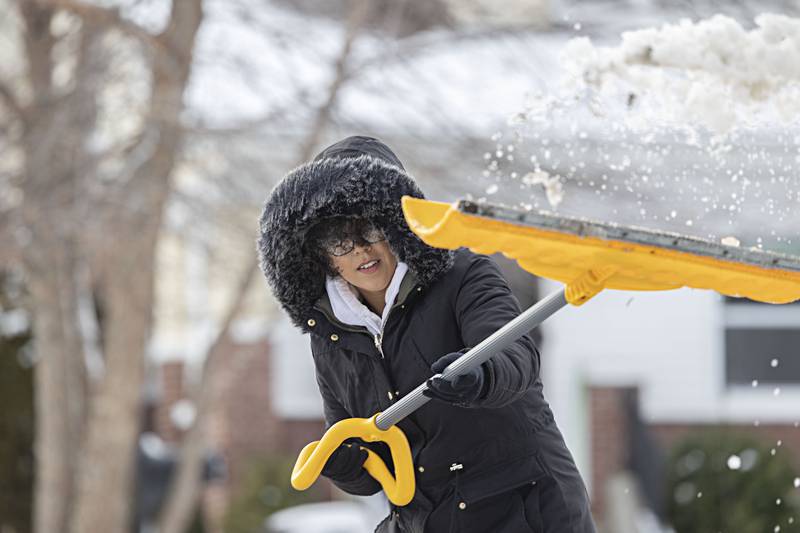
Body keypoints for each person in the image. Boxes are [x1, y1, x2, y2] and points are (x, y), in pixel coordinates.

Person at [257, 136, 596, 533]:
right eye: (339, 240)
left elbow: (516, 357)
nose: (360, 251)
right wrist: (348, 468)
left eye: (370, 229)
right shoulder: (330, 332)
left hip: (521, 507)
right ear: (321, 254)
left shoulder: (463, 276)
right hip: (427, 520)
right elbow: (367, 457)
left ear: (397, 224)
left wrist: (479, 376)